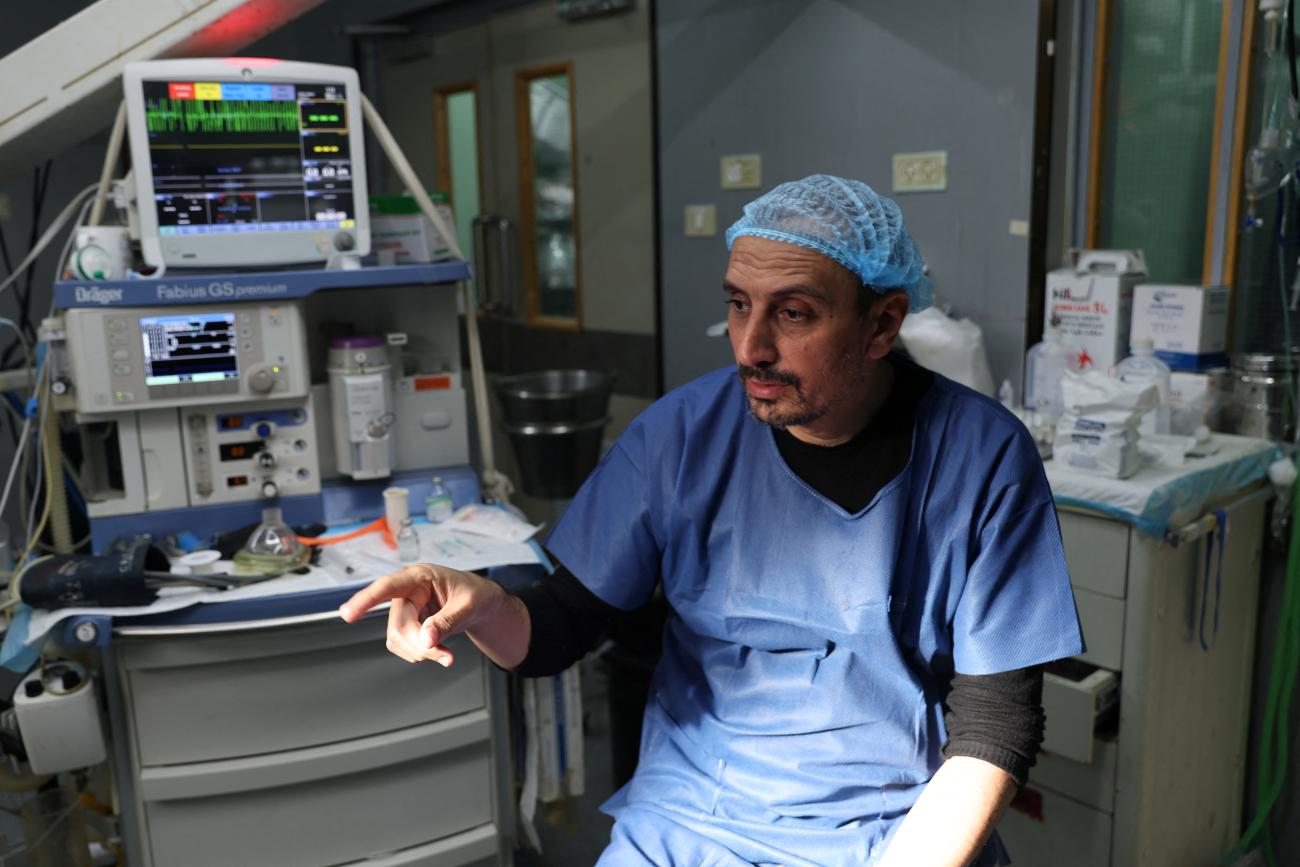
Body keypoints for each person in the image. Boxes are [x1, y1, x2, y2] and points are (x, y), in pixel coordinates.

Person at [340, 174, 1084, 866]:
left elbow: (994, 726)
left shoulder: (980, 458)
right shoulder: (682, 435)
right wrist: (483, 604)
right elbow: (562, 624)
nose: (751, 346)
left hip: (893, 827)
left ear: (881, 323)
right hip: (688, 821)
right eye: (738, 304)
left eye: (793, 313)